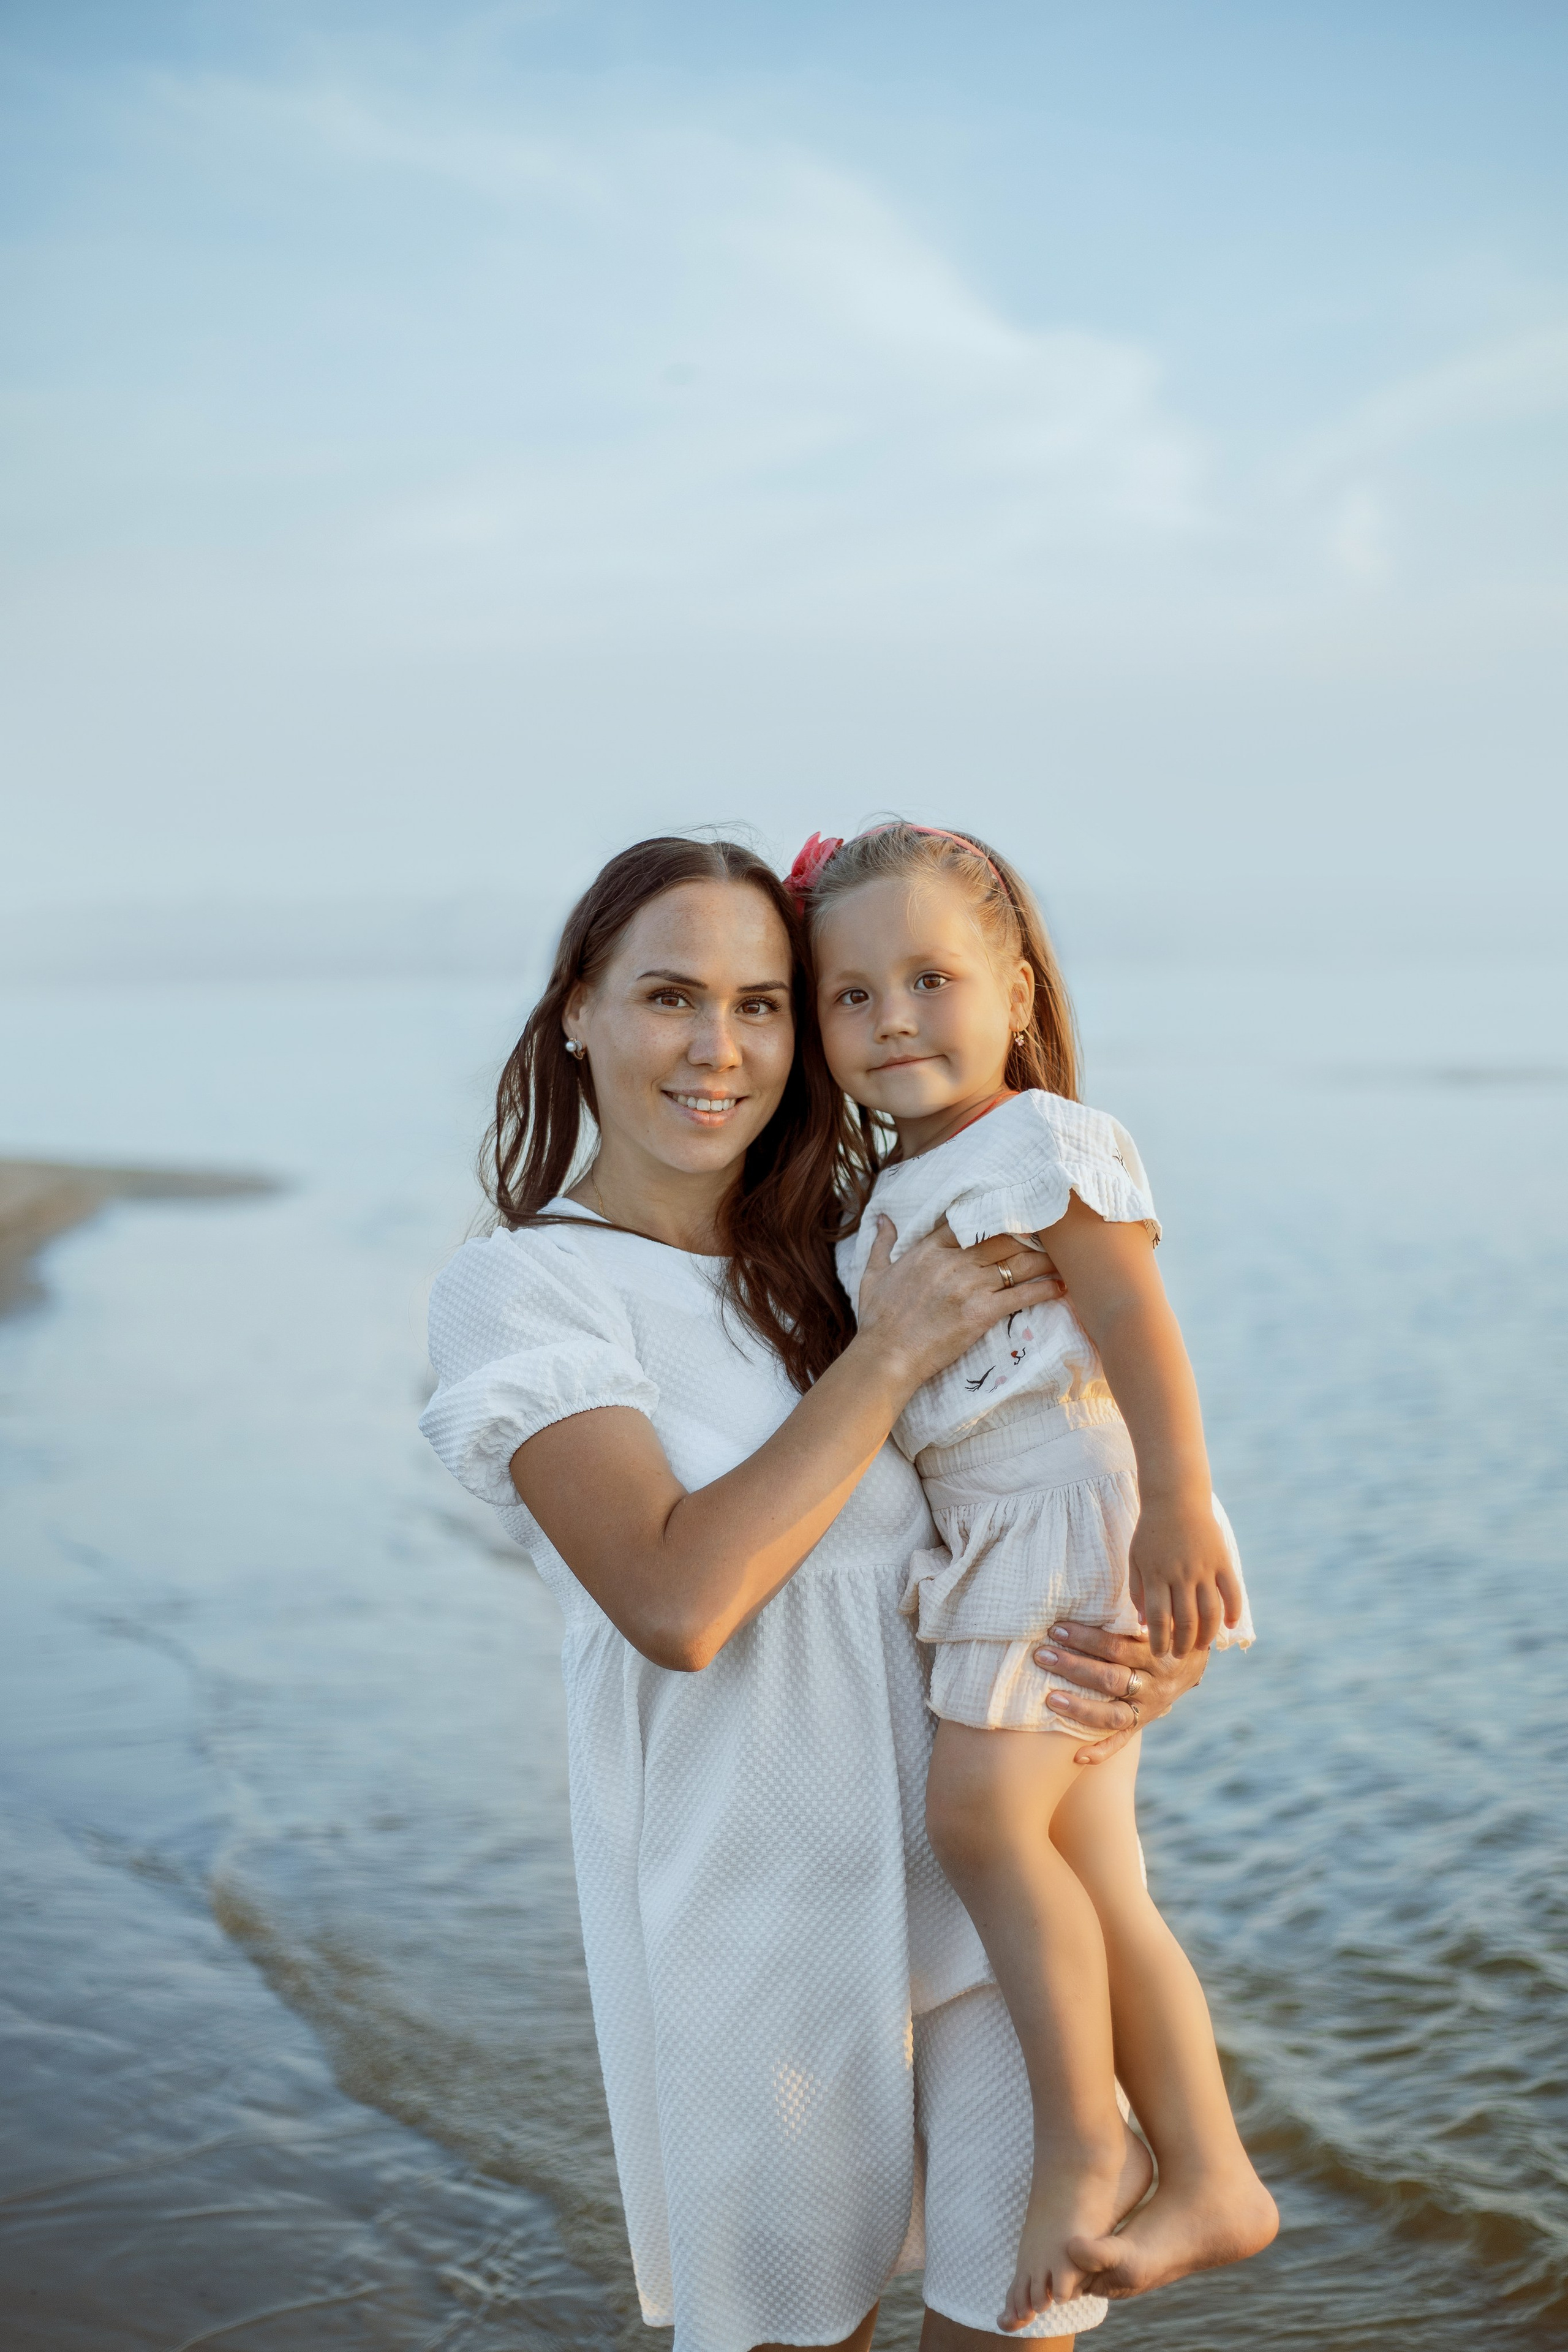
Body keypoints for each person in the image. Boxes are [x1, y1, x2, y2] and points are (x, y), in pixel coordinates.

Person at [419, 835, 1217, 2352]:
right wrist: (887, 1355)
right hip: (760, 1920)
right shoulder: (525, 1290)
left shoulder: (844, 1254)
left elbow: (1049, 1452)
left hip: (990, 1896)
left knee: (1020, 2322)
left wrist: (1142, 1638)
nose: (718, 1049)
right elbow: (677, 1601)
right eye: (669, 996)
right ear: (576, 1009)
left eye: (762, 1004)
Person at [799, 821, 1280, 2332]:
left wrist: (1178, 1507)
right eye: (850, 995)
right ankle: (1210, 2172)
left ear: (1014, 990)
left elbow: (1136, 1324)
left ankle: (1087, 2142)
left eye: (930, 980)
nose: (891, 1021)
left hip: (1063, 1509)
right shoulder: (891, 1187)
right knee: (1096, 1873)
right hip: (998, 1528)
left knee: (977, 1820)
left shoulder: (1038, 1143)